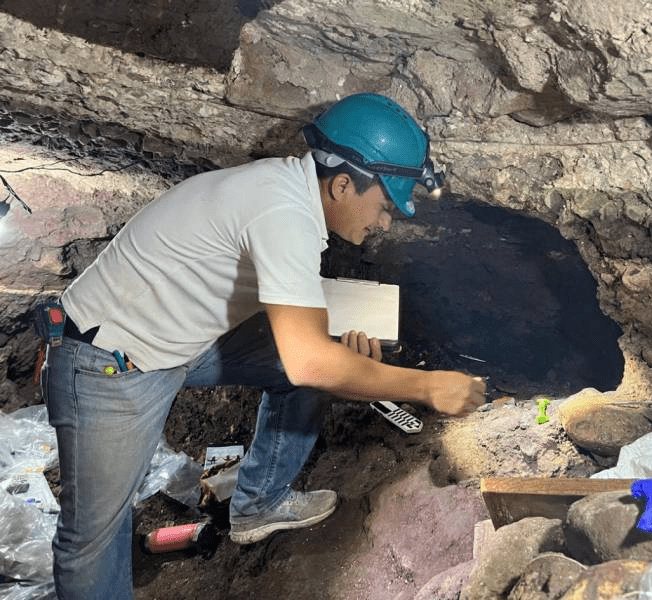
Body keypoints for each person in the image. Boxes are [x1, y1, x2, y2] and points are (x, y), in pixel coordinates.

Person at [40, 92, 486, 599]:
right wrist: (427, 386)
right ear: (343, 184)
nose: (385, 223)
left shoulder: (288, 193)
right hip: (109, 361)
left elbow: (310, 350)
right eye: (385, 207)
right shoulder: (283, 213)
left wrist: (339, 361)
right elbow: (310, 362)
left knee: (317, 359)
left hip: (178, 340)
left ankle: (257, 504)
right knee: (93, 539)